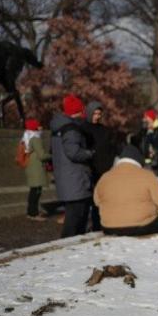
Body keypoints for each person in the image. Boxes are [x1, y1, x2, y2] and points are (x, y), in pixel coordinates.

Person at [94, 145, 158, 236]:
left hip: (109, 228)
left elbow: (97, 201)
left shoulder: (105, 177)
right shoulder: (147, 175)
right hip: (143, 225)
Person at [50, 94, 94, 238]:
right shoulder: (72, 129)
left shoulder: (59, 127)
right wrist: (90, 153)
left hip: (67, 178)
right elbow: (74, 153)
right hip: (75, 179)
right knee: (75, 217)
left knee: (74, 215)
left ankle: (71, 243)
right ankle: (68, 246)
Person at [82, 101, 117, 231]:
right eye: (95, 113)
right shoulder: (82, 129)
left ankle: (99, 224)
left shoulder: (105, 130)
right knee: (88, 200)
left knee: (100, 200)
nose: (97, 116)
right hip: (88, 170)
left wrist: (108, 165)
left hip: (103, 170)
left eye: (99, 114)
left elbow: (111, 149)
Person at [23, 118, 51, 221]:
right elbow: (42, 155)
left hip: (30, 166)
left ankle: (31, 212)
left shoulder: (27, 137)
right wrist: (51, 155)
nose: (41, 127)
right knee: (36, 191)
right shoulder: (36, 138)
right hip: (37, 168)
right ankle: (34, 213)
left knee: (33, 191)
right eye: (39, 126)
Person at [131, 109, 158, 176]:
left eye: (147, 118)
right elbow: (136, 141)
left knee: (150, 180)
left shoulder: (157, 131)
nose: (145, 120)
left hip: (152, 162)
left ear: (151, 119)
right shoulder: (144, 130)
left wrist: (155, 158)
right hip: (143, 160)